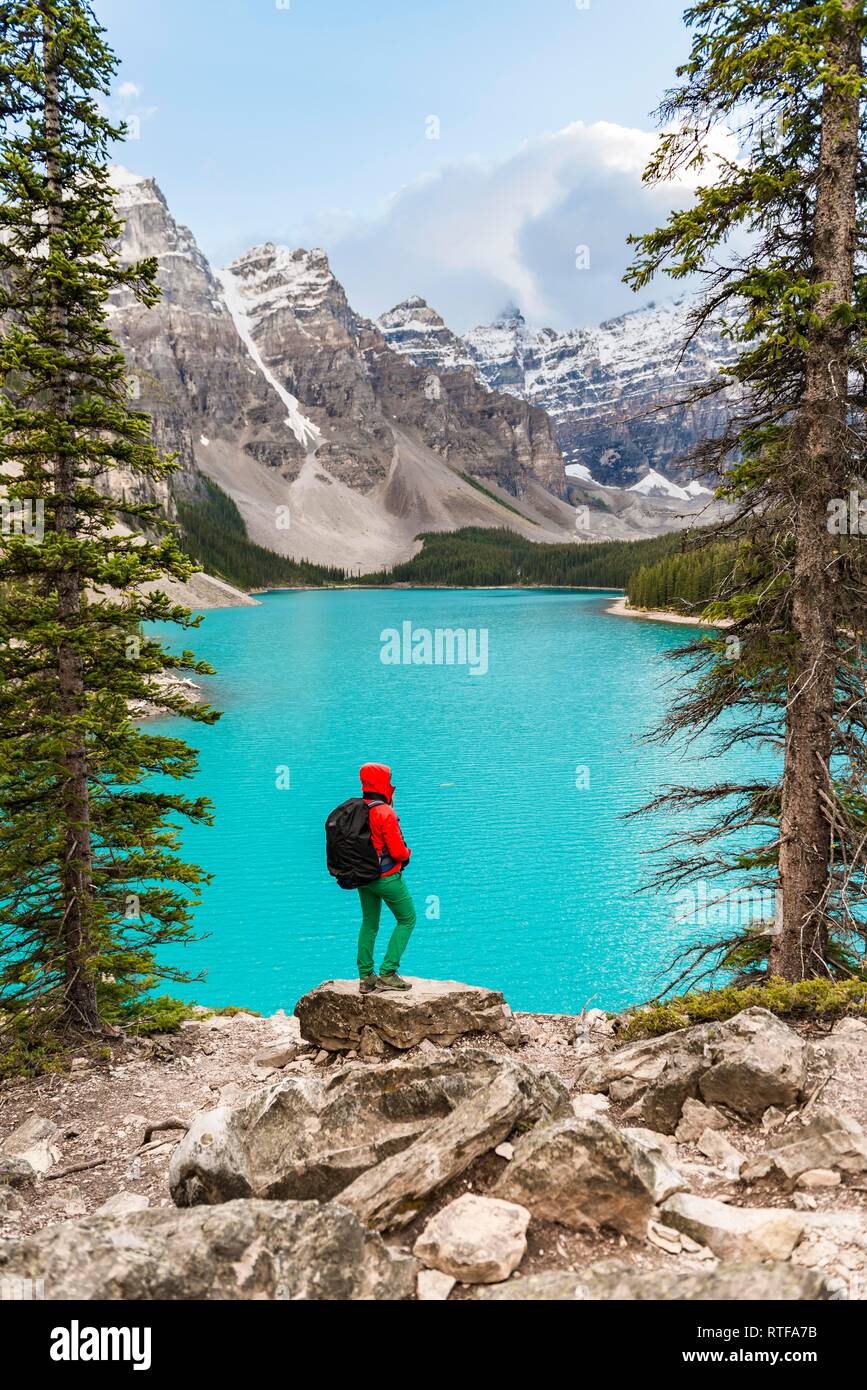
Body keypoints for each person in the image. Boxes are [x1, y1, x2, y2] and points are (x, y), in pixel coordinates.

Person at [356, 762, 416, 992]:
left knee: (369, 923)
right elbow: (399, 851)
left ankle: (365, 977)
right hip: (387, 878)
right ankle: (388, 972)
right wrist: (408, 854)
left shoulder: (357, 808)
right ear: (383, 782)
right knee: (407, 919)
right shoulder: (385, 812)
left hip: (363, 878)